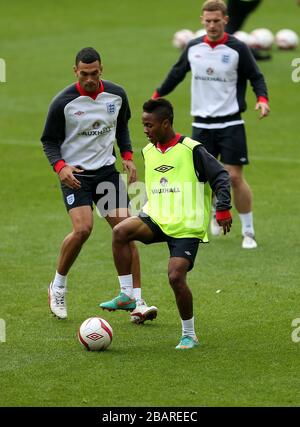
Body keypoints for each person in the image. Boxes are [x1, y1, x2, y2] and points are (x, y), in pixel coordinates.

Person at [101, 98, 232, 349]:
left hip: (186, 225)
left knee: (175, 277)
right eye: (143, 125)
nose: (145, 130)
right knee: (120, 232)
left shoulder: (192, 150)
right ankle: (128, 295)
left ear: (166, 123)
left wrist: (224, 207)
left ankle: (189, 334)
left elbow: (221, 175)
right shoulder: (148, 151)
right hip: (157, 217)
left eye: (149, 125)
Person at [41, 47, 157, 323]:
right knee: (82, 230)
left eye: (94, 73)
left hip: (106, 172)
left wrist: (127, 157)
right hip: (76, 176)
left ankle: (136, 301)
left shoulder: (116, 95)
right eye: (84, 74)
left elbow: (122, 128)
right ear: (75, 72)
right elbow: (49, 141)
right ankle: (57, 286)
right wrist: (61, 167)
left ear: (101, 69)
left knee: (127, 231)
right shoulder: (63, 102)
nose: (90, 79)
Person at [152, 0, 270, 249]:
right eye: (208, 21)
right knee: (203, 179)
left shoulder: (238, 48)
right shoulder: (194, 47)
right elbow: (177, 72)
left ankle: (248, 231)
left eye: (217, 21)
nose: (212, 25)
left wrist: (262, 99)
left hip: (231, 122)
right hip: (202, 124)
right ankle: (217, 207)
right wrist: (156, 96)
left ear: (225, 20)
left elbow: (255, 76)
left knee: (235, 177)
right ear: (202, 20)